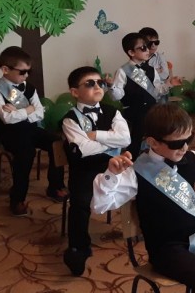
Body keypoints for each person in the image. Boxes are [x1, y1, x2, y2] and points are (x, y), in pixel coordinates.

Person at [92, 104, 195, 293]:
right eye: (177, 144)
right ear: (153, 143)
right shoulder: (136, 173)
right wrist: (111, 175)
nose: (185, 147)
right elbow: (100, 206)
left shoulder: (192, 158)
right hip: (165, 247)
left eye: (189, 139)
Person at [61, 66, 131, 276]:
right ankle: (78, 247)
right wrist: (110, 140)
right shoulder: (70, 119)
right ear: (75, 92)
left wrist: (95, 135)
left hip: (115, 165)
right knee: (80, 203)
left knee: (144, 185)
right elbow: (83, 149)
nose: (98, 86)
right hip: (84, 170)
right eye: (90, 84)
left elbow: (126, 139)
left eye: (100, 82)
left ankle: (145, 231)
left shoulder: (113, 111)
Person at [0, 46, 66, 216]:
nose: (26, 76)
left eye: (29, 71)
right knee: (26, 152)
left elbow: (40, 113)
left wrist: (19, 112)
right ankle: (17, 199)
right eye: (22, 72)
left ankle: (55, 186)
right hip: (9, 134)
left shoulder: (29, 87)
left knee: (56, 142)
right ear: (5, 69)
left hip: (30, 129)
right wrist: (28, 110)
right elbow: (7, 119)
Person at [106, 32, 181, 158]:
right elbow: (116, 96)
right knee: (137, 137)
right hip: (134, 112)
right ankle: (132, 160)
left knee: (161, 134)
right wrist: (112, 86)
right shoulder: (123, 71)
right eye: (142, 48)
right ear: (131, 52)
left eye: (147, 46)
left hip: (152, 109)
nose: (147, 50)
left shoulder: (151, 70)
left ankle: (159, 158)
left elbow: (157, 91)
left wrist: (169, 84)